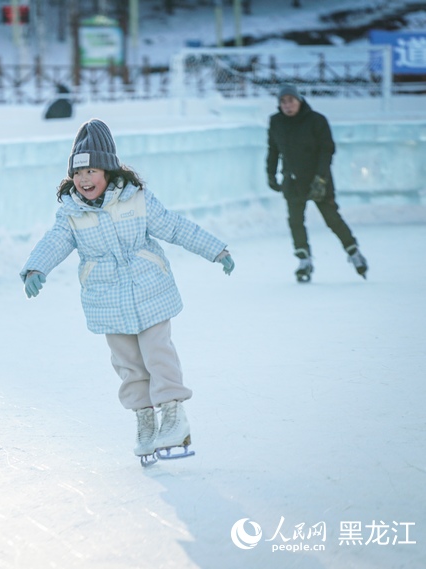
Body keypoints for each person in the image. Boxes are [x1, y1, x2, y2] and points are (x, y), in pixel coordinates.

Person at [20, 119, 235, 465]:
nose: (84, 180)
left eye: (91, 170)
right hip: (106, 299)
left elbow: (176, 227)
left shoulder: (137, 200)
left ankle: (174, 416)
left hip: (149, 289)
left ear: (107, 169)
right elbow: (55, 241)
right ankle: (145, 421)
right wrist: (35, 267)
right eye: (78, 173)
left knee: (157, 354)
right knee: (129, 365)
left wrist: (216, 250)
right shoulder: (71, 214)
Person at [266, 83, 368, 282]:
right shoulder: (276, 122)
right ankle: (304, 261)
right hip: (292, 181)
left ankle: (354, 253)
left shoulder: (316, 120)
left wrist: (321, 178)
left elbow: (326, 150)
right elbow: (273, 150)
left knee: (332, 219)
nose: (287, 105)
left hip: (317, 180)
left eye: (291, 101)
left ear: (299, 100)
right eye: (283, 102)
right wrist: (270, 174)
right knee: (295, 222)